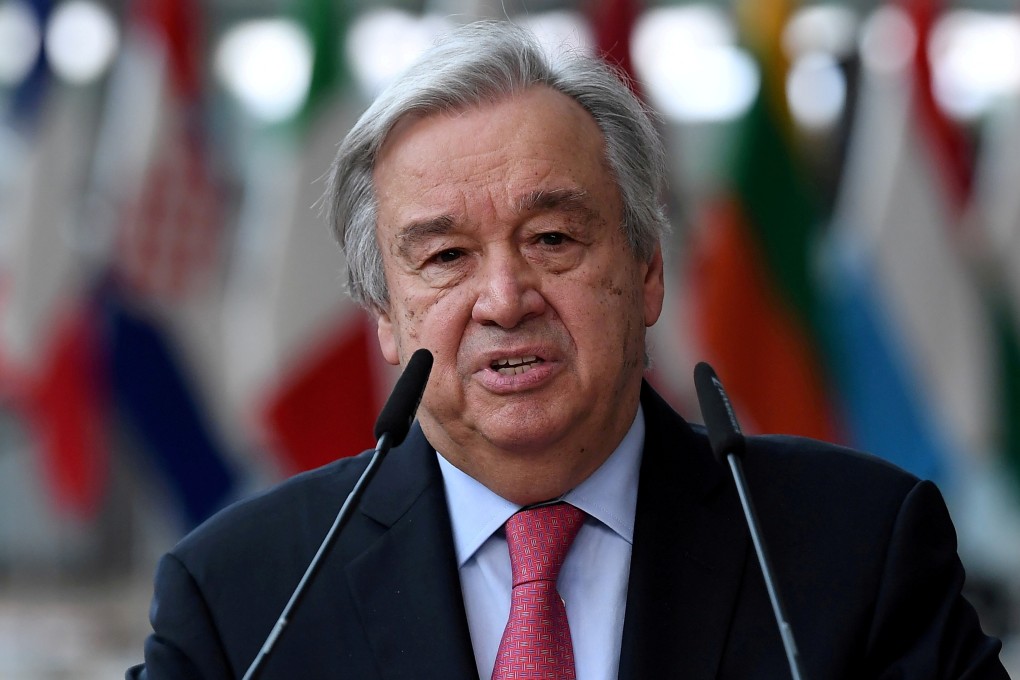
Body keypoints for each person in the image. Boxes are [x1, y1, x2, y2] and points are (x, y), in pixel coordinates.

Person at [127, 20, 1010, 680]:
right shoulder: (242, 598)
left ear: (648, 271)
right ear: (386, 320)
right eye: (444, 259)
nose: (505, 300)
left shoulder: (856, 550)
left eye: (553, 238)